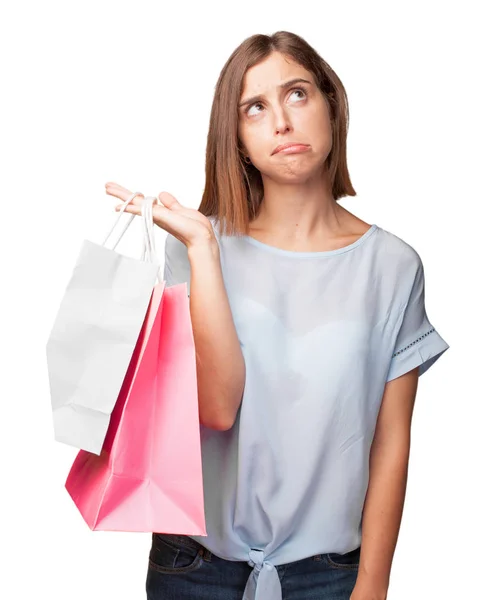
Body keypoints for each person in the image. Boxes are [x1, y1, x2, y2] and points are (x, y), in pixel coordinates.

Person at [107, 30, 450, 600]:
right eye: (255, 108)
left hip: (330, 574)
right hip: (195, 566)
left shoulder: (393, 266)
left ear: (331, 108)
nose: (282, 123)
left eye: (297, 94)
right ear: (237, 137)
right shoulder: (192, 245)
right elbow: (217, 408)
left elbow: (391, 442)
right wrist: (203, 250)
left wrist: (373, 587)